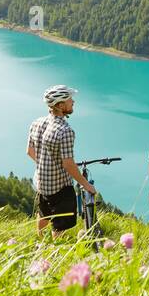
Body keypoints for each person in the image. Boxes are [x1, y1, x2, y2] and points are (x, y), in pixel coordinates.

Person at [27, 84, 97, 237]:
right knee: (60, 223)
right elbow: (68, 164)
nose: (73, 102)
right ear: (60, 105)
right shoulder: (65, 131)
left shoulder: (36, 123)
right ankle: (55, 251)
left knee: (44, 212)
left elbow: (30, 152)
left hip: (41, 182)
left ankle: (40, 241)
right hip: (59, 186)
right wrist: (86, 185)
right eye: (69, 99)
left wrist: (45, 166)